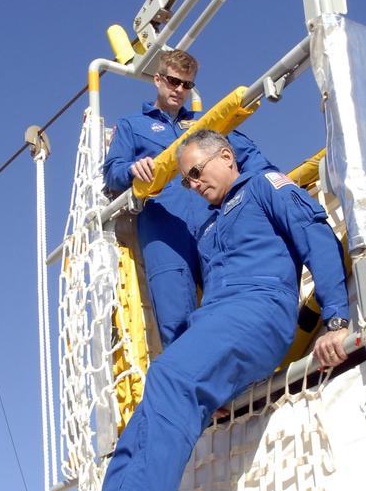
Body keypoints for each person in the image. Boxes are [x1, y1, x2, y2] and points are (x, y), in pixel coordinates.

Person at [0, 128, 350, 491]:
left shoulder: (266, 186)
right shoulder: (206, 224)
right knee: (146, 416)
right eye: (185, 180)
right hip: (218, 323)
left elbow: (317, 235)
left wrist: (336, 317)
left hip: (259, 310)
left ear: (226, 157)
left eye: (196, 174)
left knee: (170, 377)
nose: (193, 185)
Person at [103, 48, 270, 346]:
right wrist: (132, 168)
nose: (179, 90)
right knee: (177, 324)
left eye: (187, 85)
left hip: (212, 222)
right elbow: (111, 173)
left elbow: (247, 155)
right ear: (157, 79)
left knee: (232, 307)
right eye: (173, 81)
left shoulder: (205, 123)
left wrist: (276, 184)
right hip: (164, 230)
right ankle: (187, 388)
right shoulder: (132, 125)